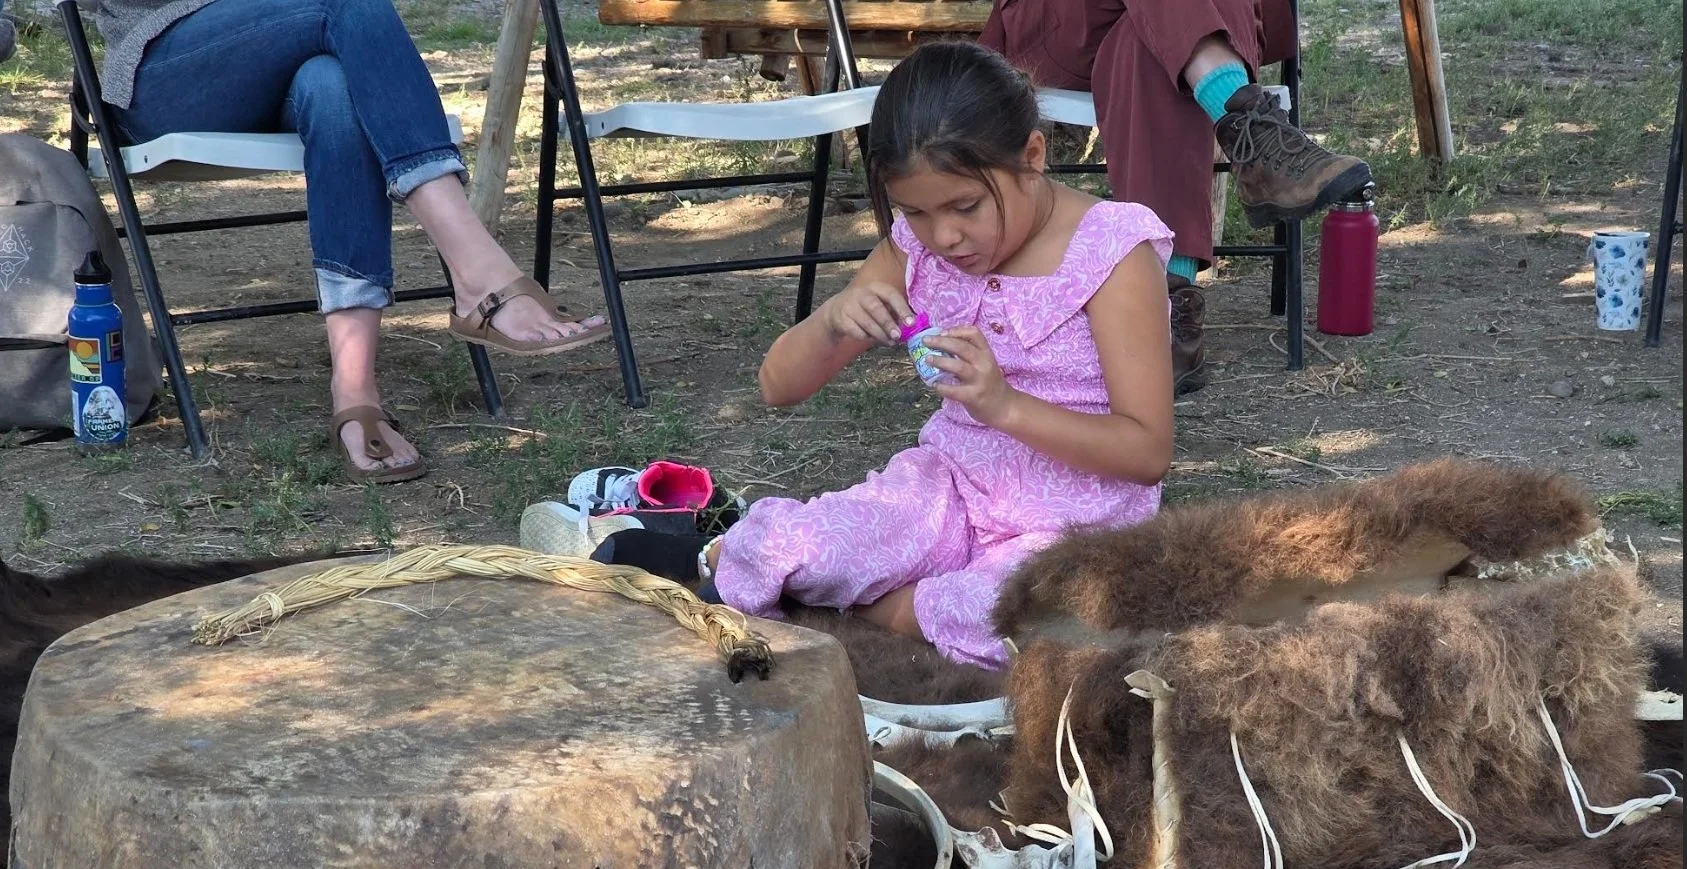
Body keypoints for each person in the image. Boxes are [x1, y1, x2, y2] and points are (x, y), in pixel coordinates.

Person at [535, 42, 1174, 670]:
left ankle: (860, 606)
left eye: (967, 206)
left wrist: (1005, 407)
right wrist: (835, 321)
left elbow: (1146, 454)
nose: (945, 236)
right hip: (948, 491)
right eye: (915, 212)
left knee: (1025, 623)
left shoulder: (1112, 253)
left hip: (1078, 523)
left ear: (1032, 156)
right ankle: (712, 560)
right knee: (809, 541)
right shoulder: (919, 249)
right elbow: (777, 386)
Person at [76, 0, 610, 482]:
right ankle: (477, 269)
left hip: (283, 50)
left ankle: (355, 390)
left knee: (335, 91)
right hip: (162, 65)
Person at [980, 0, 1373, 393]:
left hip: (1202, 18)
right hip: (1069, 24)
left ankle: (1160, 309)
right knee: (1167, 39)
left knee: (1149, 44)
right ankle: (1255, 134)